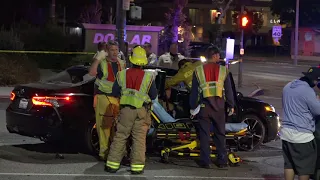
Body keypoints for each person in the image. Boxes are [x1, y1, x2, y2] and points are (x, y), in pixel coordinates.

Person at [105, 46, 157, 174]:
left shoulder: (121, 74)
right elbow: (154, 95)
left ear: (131, 60)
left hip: (126, 111)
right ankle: (137, 167)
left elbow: (115, 92)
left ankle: (112, 165)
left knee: (121, 136)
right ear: (144, 61)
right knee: (139, 139)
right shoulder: (148, 77)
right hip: (142, 111)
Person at [189, 46, 235, 168]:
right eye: (218, 55)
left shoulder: (198, 71)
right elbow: (229, 91)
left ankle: (205, 161)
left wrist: (193, 106)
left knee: (204, 135)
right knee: (220, 134)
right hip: (219, 107)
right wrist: (231, 105)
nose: (219, 58)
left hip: (204, 107)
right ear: (214, 56)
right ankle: (222, 161)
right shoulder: (223, 70)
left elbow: (194, 92)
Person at [280, 66, 320, 180]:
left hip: (286, 133)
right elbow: (318, 110)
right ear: (314, 80)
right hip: (302, 136)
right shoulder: (307, 91)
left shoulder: (288, 86)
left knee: (289, 165)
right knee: (305, 168)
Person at [88, 40, 126, 161]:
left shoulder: (122, 63)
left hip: (118, 98)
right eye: (112, 50)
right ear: (107, 51)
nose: (114, 52)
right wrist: (97, 59)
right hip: (103, 97)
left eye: (116, 50)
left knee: (118, 128)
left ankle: (116, 153)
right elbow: (91, 73)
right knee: (104, 128)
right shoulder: (102, 62)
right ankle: (104, 154)